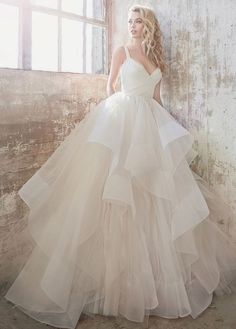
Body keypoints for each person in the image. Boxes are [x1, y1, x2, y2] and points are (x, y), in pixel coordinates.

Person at [4, 4, 236, 329]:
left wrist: (168, 127)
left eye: (138, 21)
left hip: (150, 123)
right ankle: (110, 282)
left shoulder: (156, 59)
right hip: (124, 119)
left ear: (149, 26)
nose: (132, 25)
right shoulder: (121, 51)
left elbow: (157, 98)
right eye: (129, 21)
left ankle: (149, 283)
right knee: (116, 193)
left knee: (152, 200)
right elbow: (110, 85)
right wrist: (121, 114)